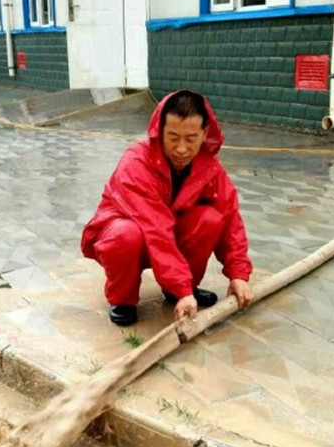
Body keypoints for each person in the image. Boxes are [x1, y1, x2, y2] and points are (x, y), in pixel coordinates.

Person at [81, 89, 253, 326]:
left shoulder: (209, 167)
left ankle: (178, 292)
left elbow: (231, 217)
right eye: (173, 137)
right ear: (159, 131)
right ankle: (123, 299)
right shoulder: (136, 162)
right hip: (131, 237)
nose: (181, 149)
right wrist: (182, 286)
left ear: (205, 134)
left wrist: (238, 274)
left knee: (211, 219)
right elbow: (156, 228)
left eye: (191, 139)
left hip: (167, 234)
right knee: (126, 235)